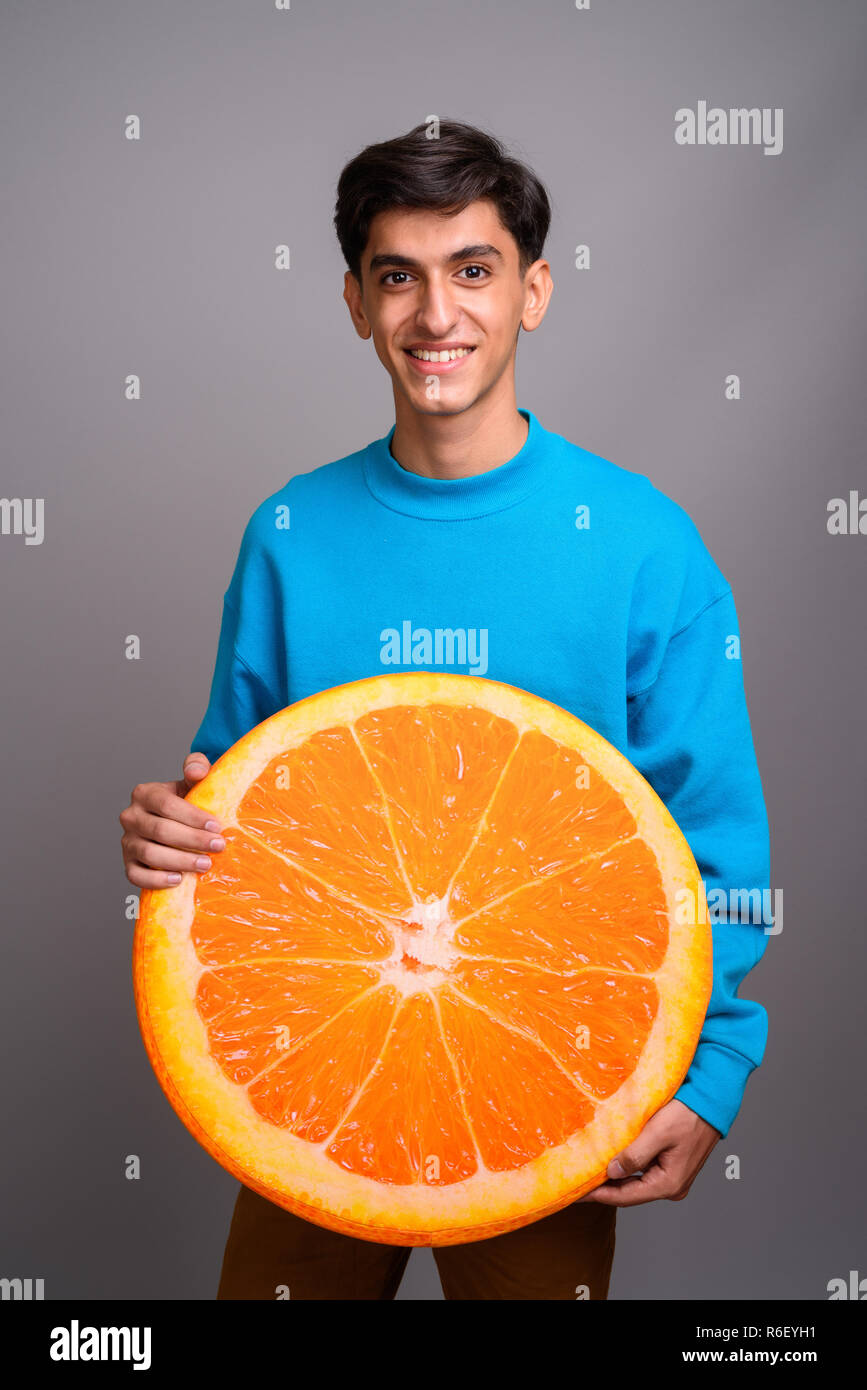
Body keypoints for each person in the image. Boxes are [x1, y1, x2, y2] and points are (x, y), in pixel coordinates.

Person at [119, 119, 771, 1301]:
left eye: (473, 270)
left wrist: (714, 1069)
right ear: (356, 302)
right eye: (398, 277)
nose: (437, 315)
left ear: (534, 291)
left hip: (549, 1074)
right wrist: (168, 834)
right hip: (317, 1070)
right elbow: (237, 812)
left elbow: (713, 842)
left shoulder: (643, 545)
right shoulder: (289, 535)